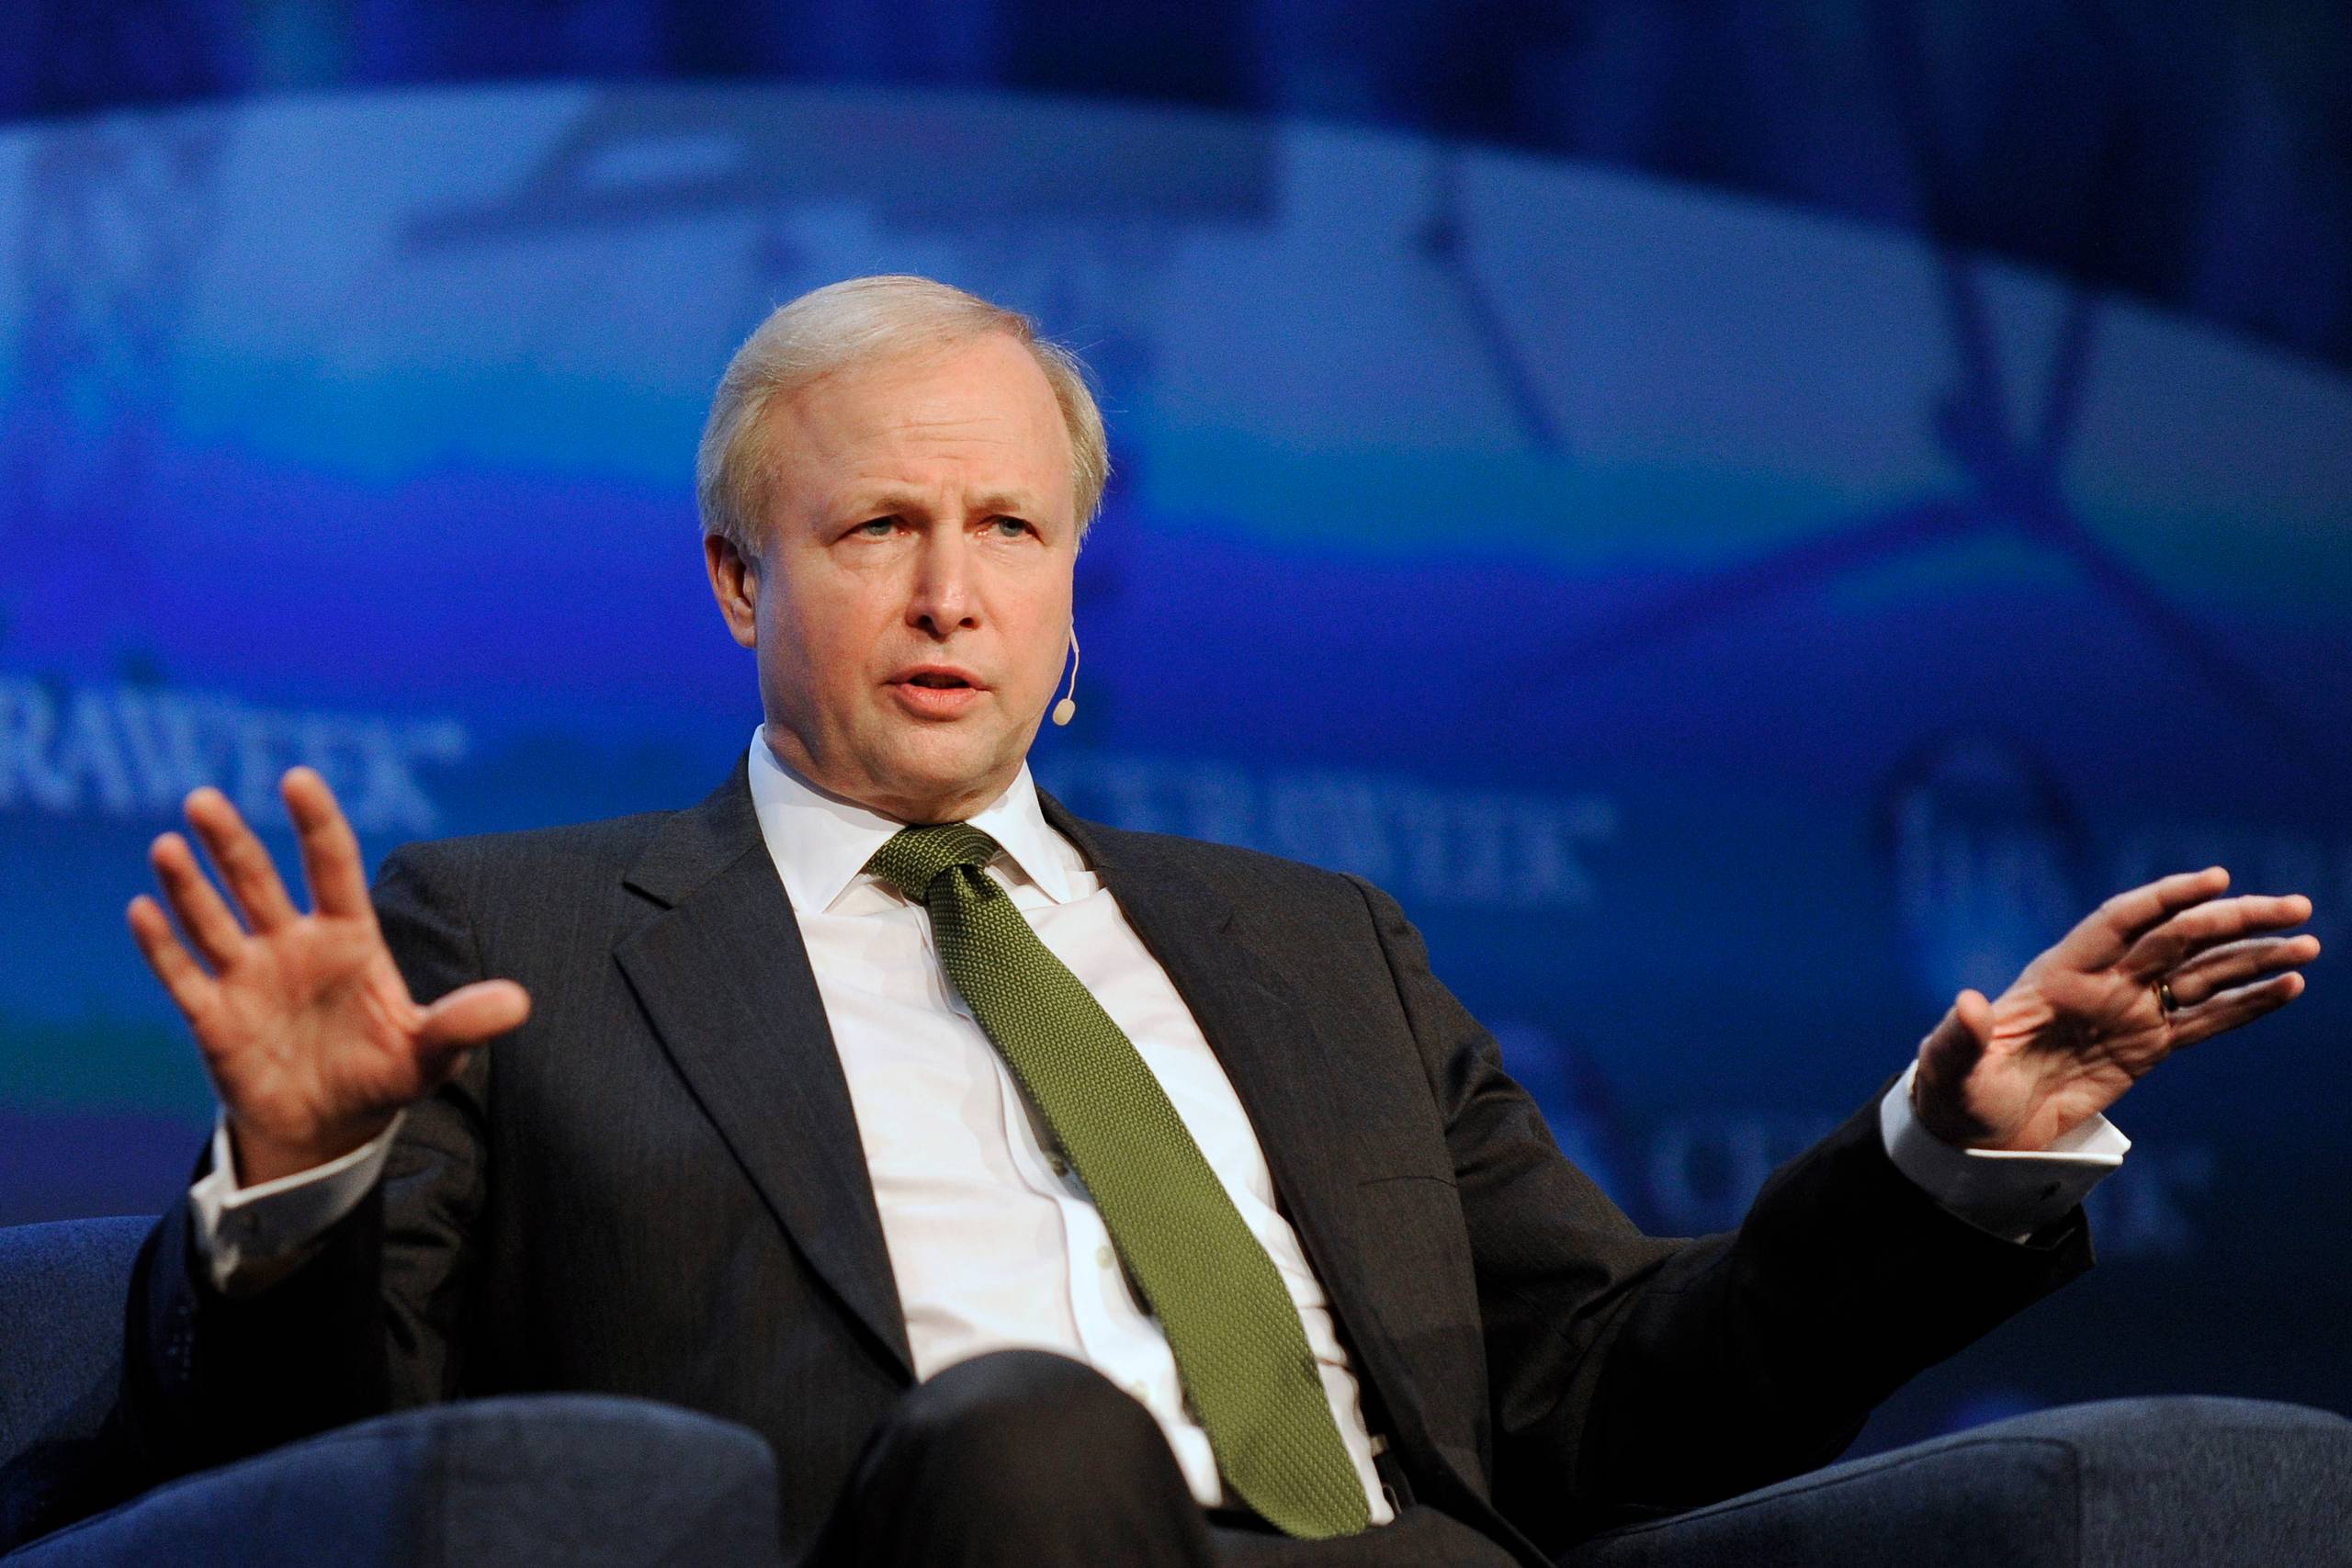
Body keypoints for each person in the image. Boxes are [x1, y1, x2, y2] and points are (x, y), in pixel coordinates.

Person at [113, 276, 2319, 1566]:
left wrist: (1950, 1151)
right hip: (959, 1536)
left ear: (1077, 584)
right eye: (877, 523)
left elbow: (1594, 1399)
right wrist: (305, 1185)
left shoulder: (1309, 938)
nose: (952, 590)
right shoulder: (518, 930)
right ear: (735, 582)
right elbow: (363, 1476)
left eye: (1010, 524)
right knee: (1044, 1432)